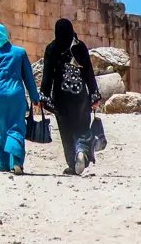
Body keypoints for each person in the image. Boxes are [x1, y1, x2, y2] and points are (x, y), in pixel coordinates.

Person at [0, 23, 41, 175]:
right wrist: (35, 97)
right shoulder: (20, 52)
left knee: (1, 129)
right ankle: (17, 161)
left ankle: (2, 163)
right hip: (16, 95)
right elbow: (28, 78)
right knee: (16, 127)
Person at [40, 18, 101, 175]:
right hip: (80, 96)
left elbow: (47, 75)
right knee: (82, 127)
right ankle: (81, 151)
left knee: (66, 131)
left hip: (61, 97)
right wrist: (94, 94)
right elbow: (88, 72)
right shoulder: (79, 47)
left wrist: (44, 97)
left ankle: (73, 164)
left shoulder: (52, 48)